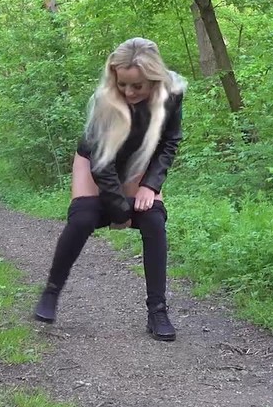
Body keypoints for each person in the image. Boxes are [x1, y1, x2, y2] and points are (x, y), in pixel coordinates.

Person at [32, 37, 187, 341]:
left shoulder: (172, 94)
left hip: (139, 161)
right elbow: (102, 164)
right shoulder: (103, 101)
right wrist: (120, 211)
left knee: (153, 219)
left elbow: (170, 141)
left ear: (154, 79)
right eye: (122, 84)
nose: (128, 92)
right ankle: (51, 292)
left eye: (137, 86)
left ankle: (157, 311)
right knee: (83, 218)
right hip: (98, 160)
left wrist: (150, 185)